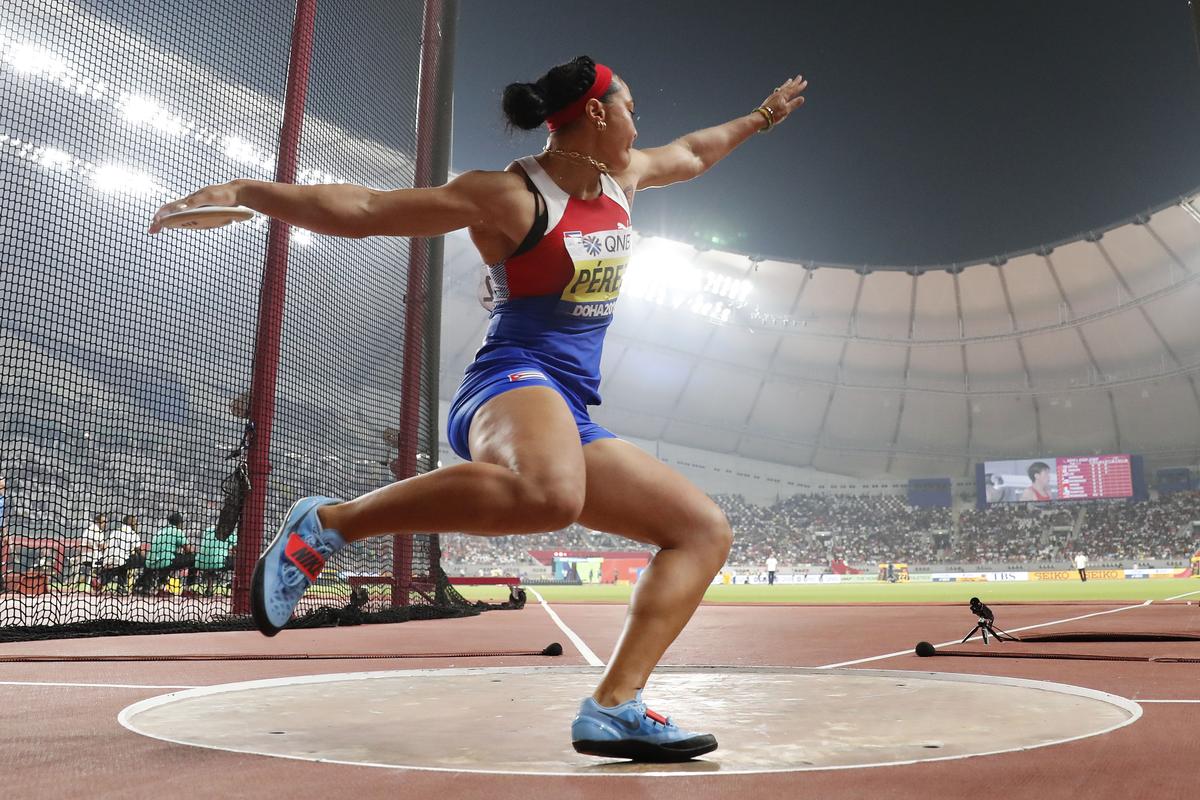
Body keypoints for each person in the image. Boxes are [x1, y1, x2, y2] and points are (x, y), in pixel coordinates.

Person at [151, 55, 807, 763]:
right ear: (596, 113)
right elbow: (370, 212)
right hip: (511, 380)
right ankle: (329, 525)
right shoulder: (508, 196)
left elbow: (696, 153)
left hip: (571, 407)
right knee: (553, 495)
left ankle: (614, 708)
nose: (639, 125)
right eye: (631, 108)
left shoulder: (628, 178)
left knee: (702, 532)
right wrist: (249, 192)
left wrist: (762, 118)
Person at [139, 511, 193, 596]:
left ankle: (161, 587)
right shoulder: (177, 531)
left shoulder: (160, 531)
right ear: (179, 523)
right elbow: (189, 550)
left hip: (151, 563)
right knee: (194, 559)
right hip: (166, 561)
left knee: (168, 557)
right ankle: (188, 589)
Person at [99, 514, 143, 594]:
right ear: (131, 523)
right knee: (139, 560)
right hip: (120, 562)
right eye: (135, 523)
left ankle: (102, 581)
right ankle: (137, 585)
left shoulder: (114, 532)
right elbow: (139, 551)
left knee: (119, 563)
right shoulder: (133, 534)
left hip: (107, 561)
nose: (136, 525)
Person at [195, 523, 237, 597]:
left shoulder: (208, 530)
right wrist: (231, 551)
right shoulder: (229, 532)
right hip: (219, 562)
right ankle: (233, 586)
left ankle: (209, 588)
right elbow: (236, 547)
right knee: (238, 563)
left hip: (200, 562)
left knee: (211, 561)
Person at [75, 513, 107, 592]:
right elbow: (101, 546)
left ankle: (86, 581)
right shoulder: (97, 531)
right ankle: (96, 585)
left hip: (85, 557)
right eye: (103, 522)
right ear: (97, 521)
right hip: (94, 558)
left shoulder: (88, 530)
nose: (105, 524)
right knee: (109, 566)